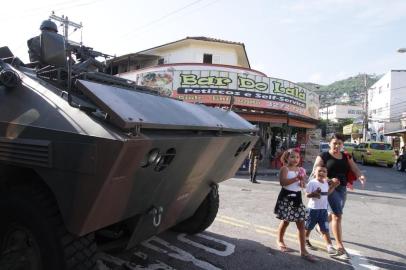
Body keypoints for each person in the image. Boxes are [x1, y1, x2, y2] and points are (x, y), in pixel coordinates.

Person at [312, 133, 366, 259]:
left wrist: (360, 176)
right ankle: (339, 246)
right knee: (337, 215)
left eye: (339, 143)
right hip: (329, 187)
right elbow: (316, 171)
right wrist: (329, 180)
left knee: (333, 213)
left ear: (342, 144)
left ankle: (320, 227)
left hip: (342, 188)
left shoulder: (346, 156)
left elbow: (355, 169)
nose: (337, 145)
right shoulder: (323, 156)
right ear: (329, 143)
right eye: (334, 143)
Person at [274, 148, 316, 262]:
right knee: (286, 221)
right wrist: (296, 178)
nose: (295, 159)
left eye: (297, 157)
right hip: (286, 198)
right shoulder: (285, 169)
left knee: (301, 224)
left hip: (297, 198)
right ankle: (280, 240)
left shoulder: (301, 169)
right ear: (286, 158)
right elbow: (283, 183)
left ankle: (303, 250)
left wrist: (302, 181)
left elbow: (302, 185)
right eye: (292, 156)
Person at [304, 165, 340, 255]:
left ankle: (329, 246)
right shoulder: (312, 183)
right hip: (313, 209)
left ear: (326, 174)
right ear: (314, 173)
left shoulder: (325, 183)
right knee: (308, 227)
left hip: (323, 210)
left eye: (324, 172)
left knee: (325, 228)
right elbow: (306, 195)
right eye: (320, 171)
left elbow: (326, 193)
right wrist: (314, 194)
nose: (322, 173)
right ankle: (305, 239)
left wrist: (334, 186)